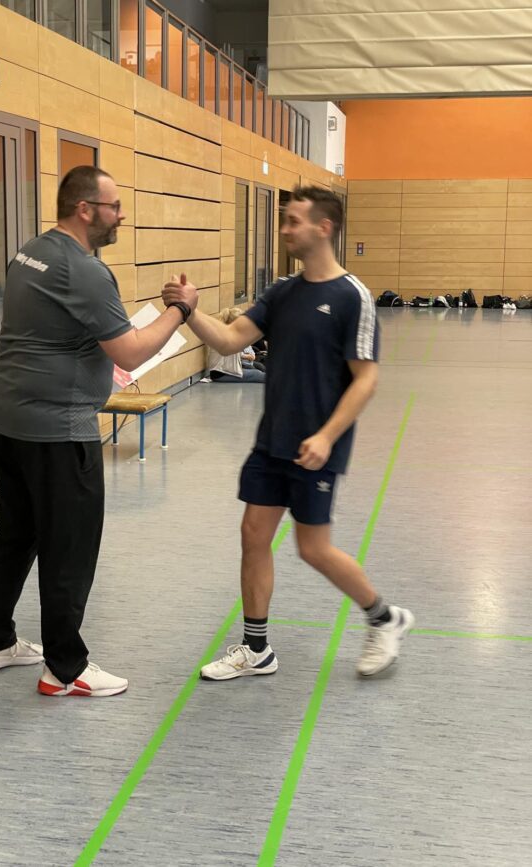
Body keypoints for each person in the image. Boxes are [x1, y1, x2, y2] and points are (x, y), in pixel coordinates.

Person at [163, 186, 413, 681]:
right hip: (272, 441)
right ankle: (256, 649)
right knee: (253, 535)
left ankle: (385, 618)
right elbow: (231, 340)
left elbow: (366, 379)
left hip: (318, 446)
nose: (284, 229)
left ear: (324, 227)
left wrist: (326, 437)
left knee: (313, 548)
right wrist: (189, 311)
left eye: (293, 221)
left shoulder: (352, 297)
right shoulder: (282, 292)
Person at [0, 166, 197, 697]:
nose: (122, 215)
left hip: (8, 419)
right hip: (57, 430)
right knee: (69, 546)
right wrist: (180, 309)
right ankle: (65, 669)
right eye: (114, 206)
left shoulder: (30, 252)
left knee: (17, 531)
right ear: (85, 209)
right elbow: (131, 352)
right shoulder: (85, 270)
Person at [207, 308, 265, 383]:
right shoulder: (225, 336)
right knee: (256, 374)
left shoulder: (225, 333)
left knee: (258, 367)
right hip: (221, 373)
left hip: (226, 370)